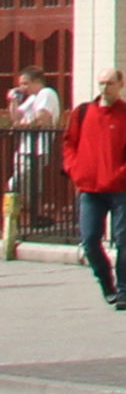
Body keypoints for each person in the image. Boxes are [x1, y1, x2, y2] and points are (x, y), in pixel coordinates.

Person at [60, 69, 126, 311]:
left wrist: (122, 173)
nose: (104, 88)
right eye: (101, 83)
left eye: (109, 83)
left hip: (119, 189)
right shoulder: (83, 112)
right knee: (88, 239)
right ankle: (107, 284)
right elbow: (69, 143)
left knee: (123, 242)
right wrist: (75, 169)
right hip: (89, 188)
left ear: (120, 85)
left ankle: (125, 291)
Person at [2, 69, 60, 261]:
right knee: (17, 185)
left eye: (25, 83)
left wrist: (23, 125)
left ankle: (35, 216)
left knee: (22, 184)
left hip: (37, 149)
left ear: (36, 81)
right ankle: (27, 219)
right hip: (25, 148)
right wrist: (13, 101)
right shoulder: (31, 98)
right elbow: (16, 119)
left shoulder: (46, 94)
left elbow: (41, 119)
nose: (22, 87)